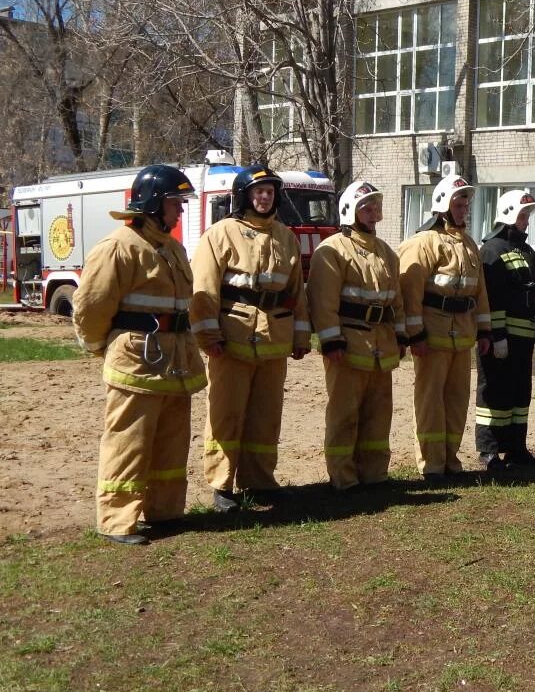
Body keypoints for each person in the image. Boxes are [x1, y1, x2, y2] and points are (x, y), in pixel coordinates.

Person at [73, 165, 208, 545]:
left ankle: (164, 512)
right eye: (174, 203)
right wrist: (102, 347)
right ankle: (117, 520)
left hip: (174, 362)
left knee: (171, 441)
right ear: (151, 204)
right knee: (128, 443)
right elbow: (91, 306)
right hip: (136, 361)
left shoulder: (172, 247)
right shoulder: (119, 246)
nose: (180, 212)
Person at [190, 165, 310, 512]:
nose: (264, 197)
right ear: (244, 196)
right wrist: (208, 335)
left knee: (266, 415)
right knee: (226, 414)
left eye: (270, 192)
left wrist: (301, 335)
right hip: (232, 341)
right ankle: (222, 486)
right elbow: (205, 290)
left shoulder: (285, 236)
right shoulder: (221, 234)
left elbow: (296, 293)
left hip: (274, 342)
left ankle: (259, 480)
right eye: (258, 192)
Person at [307, 181, 406, 492]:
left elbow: (397, 301)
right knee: (344, 415)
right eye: (367, 206)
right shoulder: (331, 250)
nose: (373, 212)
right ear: (350, 210)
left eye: (376, 206)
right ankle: (344, 478)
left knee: (379, 415)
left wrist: (401, 336)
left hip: (381, 347)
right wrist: (331, 340)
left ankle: (375, 475)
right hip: (348, 348)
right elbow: (323, 302)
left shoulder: (387, 252)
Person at [398, 175, 492, 480]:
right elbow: (409, 293)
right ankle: (431, 465)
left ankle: (451, 460)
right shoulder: (423, 243)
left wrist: (485, 331)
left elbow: (480, 294)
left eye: (466, 203)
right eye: (458, 203)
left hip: (461, 338)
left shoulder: (468, 244)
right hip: (432, 338)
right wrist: (416, 334)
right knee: (430, 403)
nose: (464, 208)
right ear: (442, 206)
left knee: (455, 403)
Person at [476, 189, 535, 472]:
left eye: (528, 215)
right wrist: (497, 335)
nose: (526, 221)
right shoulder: (492, 250)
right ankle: (489, 450)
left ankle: (516, 448)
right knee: (494, 392)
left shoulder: (527, 252)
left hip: (524, 338)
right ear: (507, 215)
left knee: (520, 393)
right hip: (501, 338)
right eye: (522, 216)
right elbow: (490, 297)